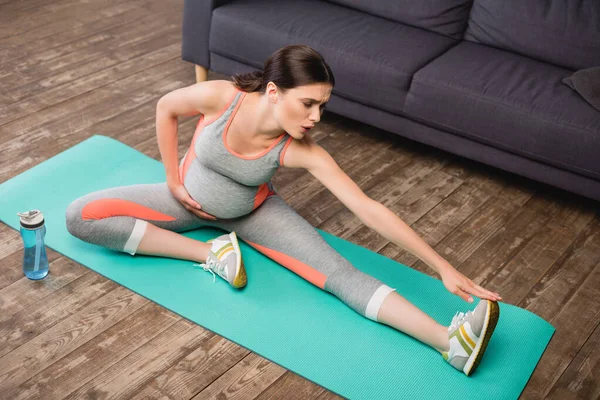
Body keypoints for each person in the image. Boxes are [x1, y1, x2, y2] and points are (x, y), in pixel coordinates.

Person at [66, 44, 501, 376]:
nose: (316, 117)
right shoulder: (222, 98)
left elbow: (368, 208)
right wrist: (173, 181)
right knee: (80, 216)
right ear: (273, 92)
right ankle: (211, 254)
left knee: (341, 276)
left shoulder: (300, 150)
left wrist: (443, 267)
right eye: (308, 103)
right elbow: (166, 109)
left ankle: (450, 341)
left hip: (254, 216)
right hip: (182, 203)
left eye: (322, 106)